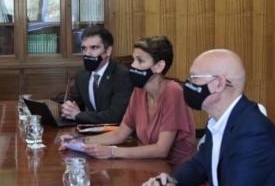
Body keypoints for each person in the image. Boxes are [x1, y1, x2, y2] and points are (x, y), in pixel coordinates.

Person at [138, 49, 275, 186]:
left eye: (194, 78)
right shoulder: (222, 120)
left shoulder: (253, 131)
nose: (187, 84)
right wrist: (171, 180)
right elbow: (199, 165)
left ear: (218, 84)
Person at [61, 35, 196, 165]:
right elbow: (120, 134)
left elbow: (162, 150)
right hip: (149, 165)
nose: (133, 65)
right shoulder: (139, 90)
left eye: (140, 61)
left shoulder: (173, 91)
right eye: (133, 60)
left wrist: (112, 152)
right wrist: (79, 141)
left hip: (177, 172)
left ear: (159, 66)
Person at [60, 27, 133, 124]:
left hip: (116, 133)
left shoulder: (122, 75)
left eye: (94, 47)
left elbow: (116, 116)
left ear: (108, 51)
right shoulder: (82, 73)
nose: (87, 53)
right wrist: (67, 108)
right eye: (84, 48)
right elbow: (74, 101)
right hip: (89, 130)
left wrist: (78, 115)